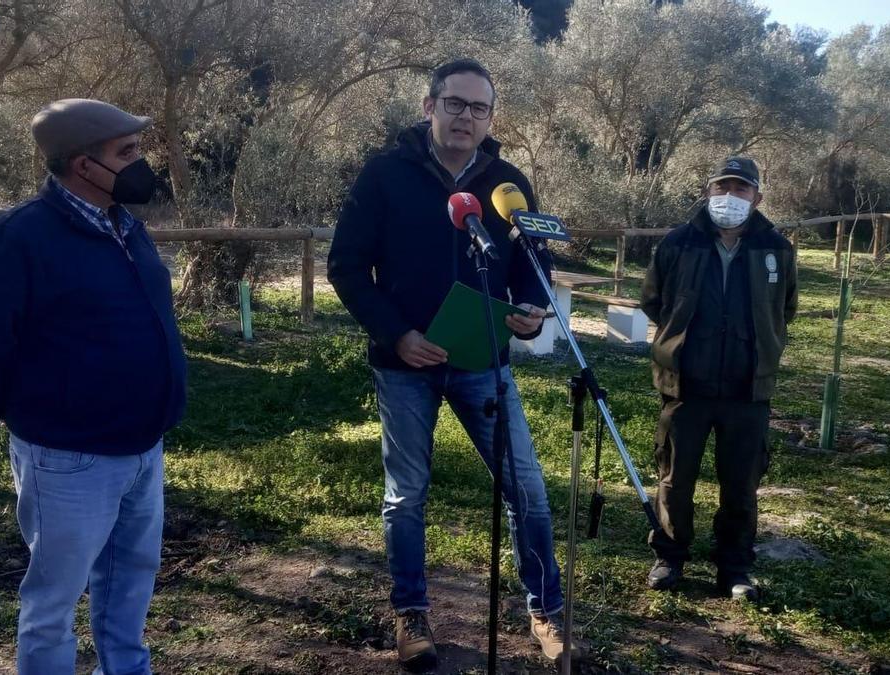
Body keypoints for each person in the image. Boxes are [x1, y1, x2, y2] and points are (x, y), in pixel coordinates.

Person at [327, 59, 583, 670]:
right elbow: (345, 267)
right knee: (406, 496)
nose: (467, 117)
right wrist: (398, 334)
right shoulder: (384, 175)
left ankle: (545, 610)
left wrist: (530, 307)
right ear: (429, 106)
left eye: (480, 108)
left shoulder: (508, 182)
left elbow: (533, 261)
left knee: (529, 490)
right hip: (404, 361)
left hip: (482, 361)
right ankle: (411, 614)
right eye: (455, 104)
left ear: (491, 117)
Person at [0, 99, 186, 674]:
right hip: (67, 459)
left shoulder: (125, 225)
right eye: (126, 153)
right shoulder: (22, 238)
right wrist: (38, 416)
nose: (140, 162)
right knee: (54, 602)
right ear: (83, 165)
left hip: (143, 448)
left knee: (130, 586)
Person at [639, 156, 797, 601]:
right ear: (708, 193)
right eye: (721, 188)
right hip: (686, 385)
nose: (730, 197)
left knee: (742, 483)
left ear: (757, 197)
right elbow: (654, 301)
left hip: (748, 389)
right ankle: (669, 558)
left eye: (741, 189)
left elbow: (784, 310)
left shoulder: (777, 249)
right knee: (675, 476)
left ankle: (734, 569)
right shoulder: (678, 243)